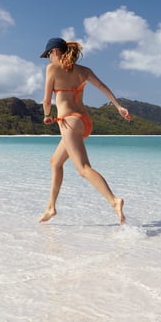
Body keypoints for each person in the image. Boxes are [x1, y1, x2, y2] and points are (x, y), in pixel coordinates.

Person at [37, 37, 132, 225]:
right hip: (84, 122)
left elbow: (47, 101)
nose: (48, 59)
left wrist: (47, 115)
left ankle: (114, 201)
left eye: (48, 54)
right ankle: (51, 207)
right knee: (55, 162)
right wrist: (118, 106)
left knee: (83, 169)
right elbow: (102, 87)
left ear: (55, 51)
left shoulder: (52, 69)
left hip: (69, 122)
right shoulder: (84, 71)